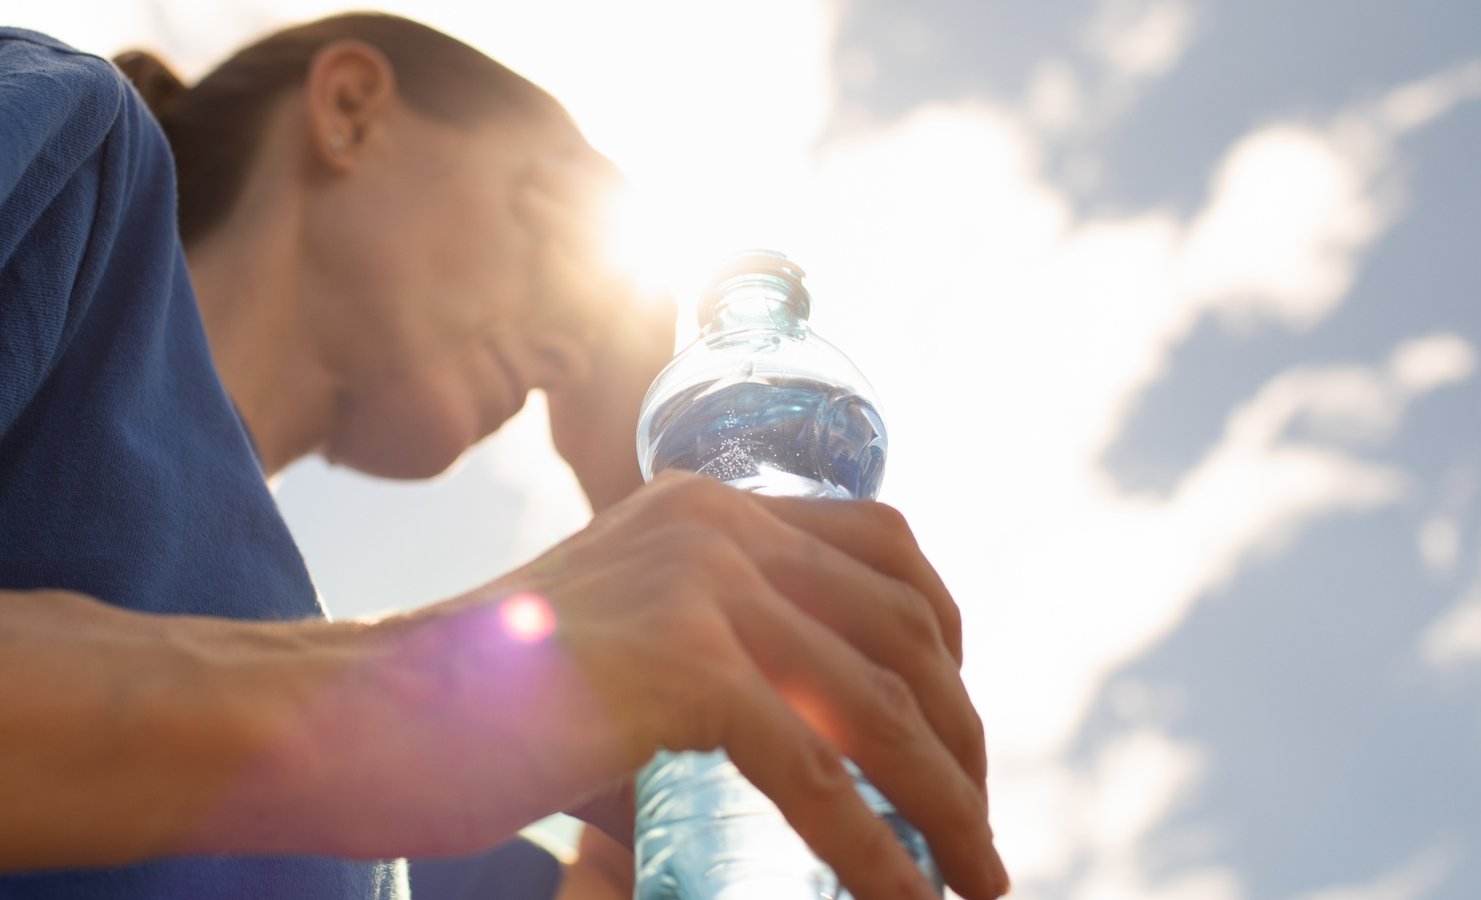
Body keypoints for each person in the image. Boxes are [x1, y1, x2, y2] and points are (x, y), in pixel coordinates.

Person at [0, 12, 1008, 900]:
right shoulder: (75, 147)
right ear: (351, 109)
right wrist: (400, 691)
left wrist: (643, 489)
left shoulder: (385, 826)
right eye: (553, 231)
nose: (570, 350)